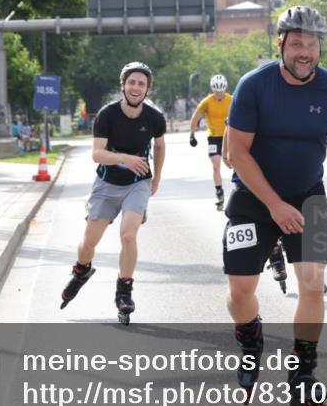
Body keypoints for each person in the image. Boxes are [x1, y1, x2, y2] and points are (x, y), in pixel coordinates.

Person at [223, 5, 327, 406]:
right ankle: (250, 336)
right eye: (297, 43)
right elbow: (235, 152)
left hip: (308, 197)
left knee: (312, 286)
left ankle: (303, 374)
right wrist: (274, 206)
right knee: (240, 292)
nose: (305, 51)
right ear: (280, 44)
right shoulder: (255, 85)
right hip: (255, 198)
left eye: (312, 44)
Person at [59, 61, 166, 325]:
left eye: (141, 83)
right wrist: (125, 159)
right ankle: (82, 270)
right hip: (107, 185)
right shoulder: (107, 115)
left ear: (147, 89)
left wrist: (157, 178)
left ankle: (124, 290)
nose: (136, 87)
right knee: (88, 243)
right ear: (123, 85)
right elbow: (97, 153)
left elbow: (160, 146)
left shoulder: (154, 118)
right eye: (131, 82)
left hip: (138, 183)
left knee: (128, 234)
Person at [189, 74, 233, 210]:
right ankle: (219, 192)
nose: (218, 94)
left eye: (221, 91)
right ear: (212, 90)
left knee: (236, 163)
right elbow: (195, 117)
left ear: (224, 89)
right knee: (216, 166)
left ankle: (241, 189)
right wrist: (192, 135)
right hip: (214, 137)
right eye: (216, 91)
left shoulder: (231, 99)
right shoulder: (207, 102)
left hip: (229, 135)